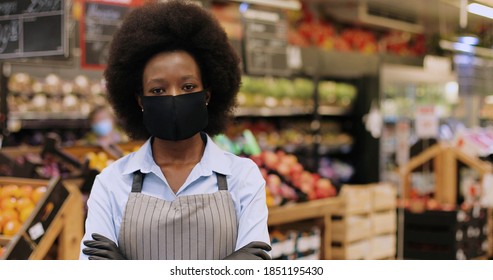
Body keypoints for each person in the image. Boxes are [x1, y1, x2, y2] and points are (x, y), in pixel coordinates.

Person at [80, 1, 271, 260]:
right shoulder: (111, 183)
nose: (173, 97)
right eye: (158, 90)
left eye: (188, 87)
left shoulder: (243, 178)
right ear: (140, 101)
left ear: (207, 94)